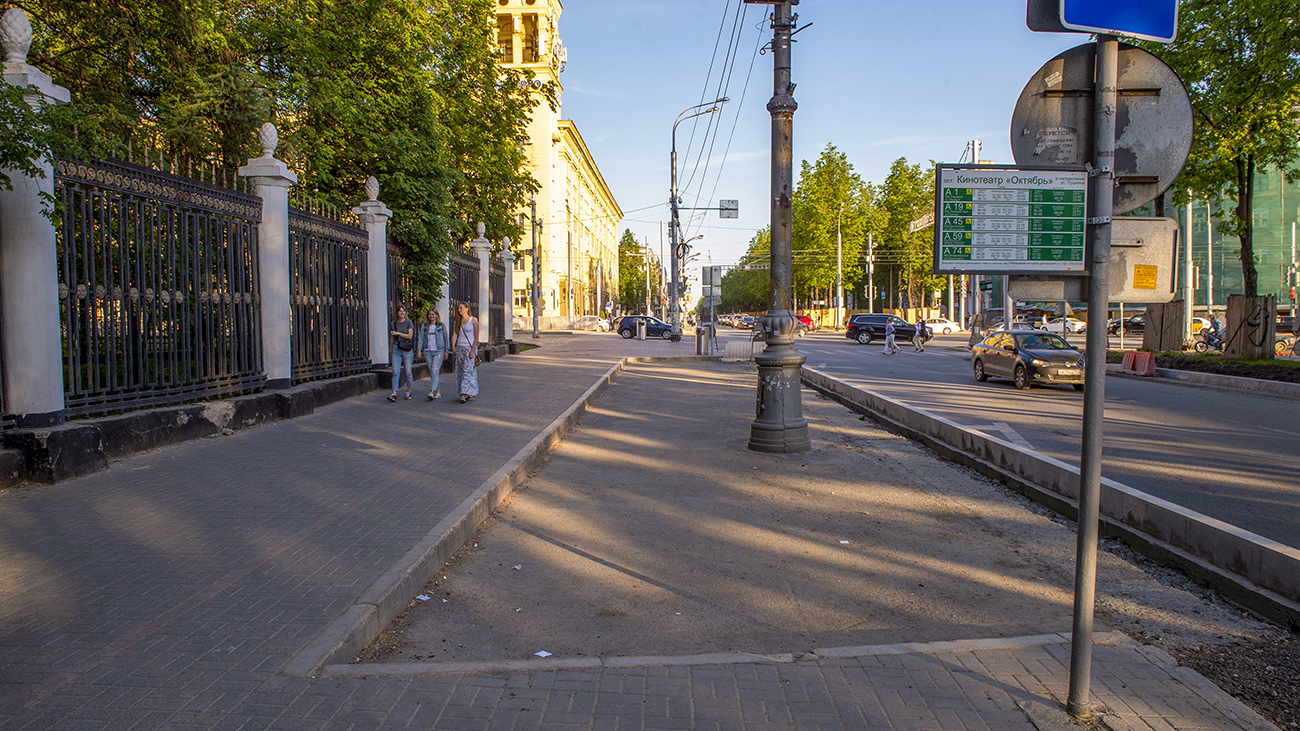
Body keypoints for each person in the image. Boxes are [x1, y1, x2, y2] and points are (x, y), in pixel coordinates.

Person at [450, 301, 480, 403]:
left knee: (468, 370)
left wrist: (473, 350)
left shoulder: (473, 320)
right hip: (460, 348)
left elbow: (476, 337)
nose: (459, 310)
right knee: (461, 370)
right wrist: (453, 345)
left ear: (467, 309)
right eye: (458, 308)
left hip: (469, 348)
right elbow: (454, 334)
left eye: (461, 308)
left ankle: (463, 394)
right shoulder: (457, 322)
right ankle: (471, 393)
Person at [416, 306, 447, 400]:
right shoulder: (424, 326)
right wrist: (419, 349)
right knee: (433, 371)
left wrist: (446, 350)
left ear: (437, 315)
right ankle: (437, 392)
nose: (431, 316)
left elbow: (446, 338)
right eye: (429, 314)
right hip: (427, 351)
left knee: (434, 370)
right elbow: (421, 338)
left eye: (433, 314)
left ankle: (431, 391)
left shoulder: (441, 326)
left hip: (438, 351)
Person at [388, 304, 415, 402]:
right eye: (400, 311)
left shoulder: (408, 322)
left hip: (406, 348)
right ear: (397, 312)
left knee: (408, 371)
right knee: (395, 371)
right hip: (396, 348)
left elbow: (409, 336)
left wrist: (398, 333)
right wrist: (390, 351)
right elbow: (391, 338)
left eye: (403, 311)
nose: (402, 313)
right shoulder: (393, 324)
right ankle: (394, 393)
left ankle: (409, 390)